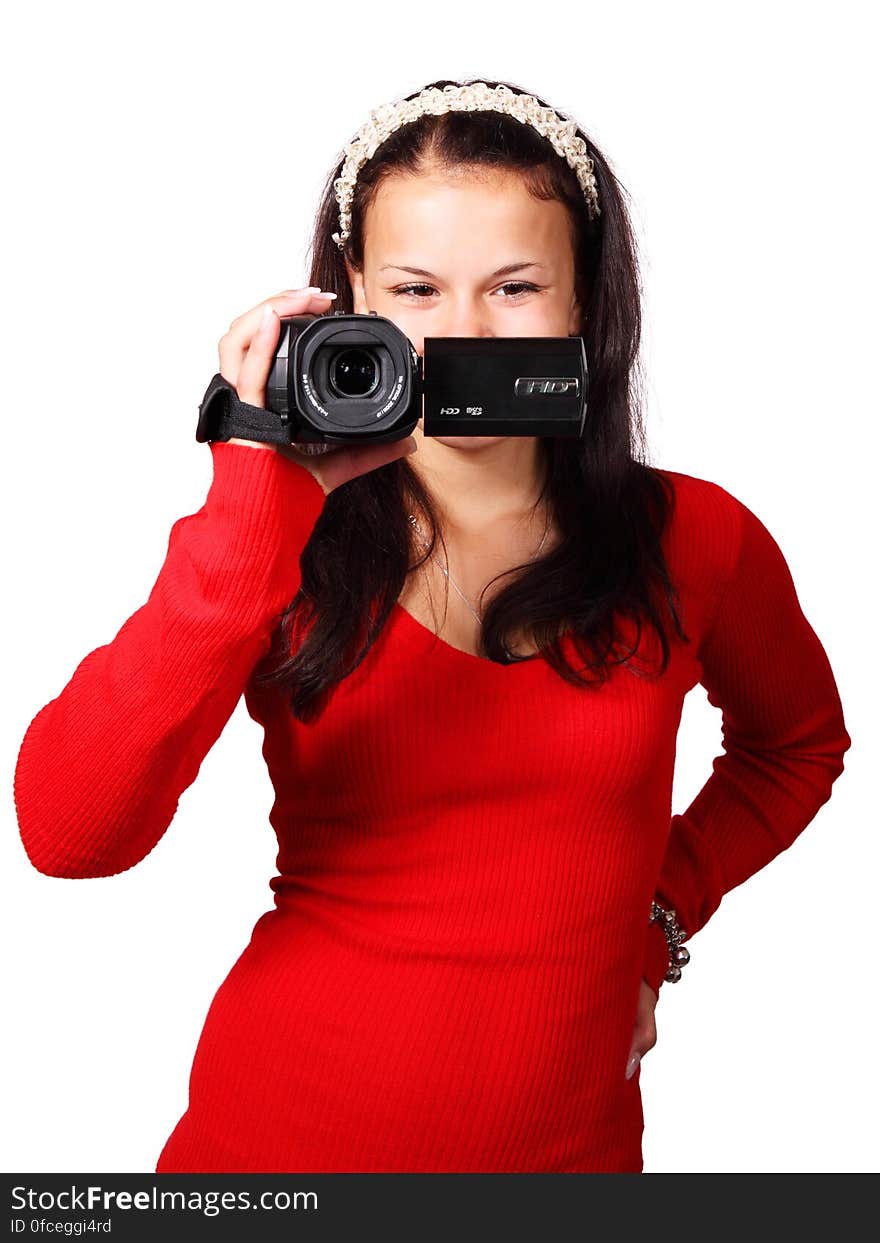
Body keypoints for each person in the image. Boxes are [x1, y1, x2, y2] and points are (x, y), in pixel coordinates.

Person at [12, 77, 851, 1174]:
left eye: (513, 286)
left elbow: (796, 747)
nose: (459, 333)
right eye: (414, 287)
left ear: (582, 298)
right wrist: (253, 497)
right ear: (348, 292)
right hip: (272, 1153)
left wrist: (660, 907)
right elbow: (70, 835)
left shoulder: (698, 536)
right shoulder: (271, 539)